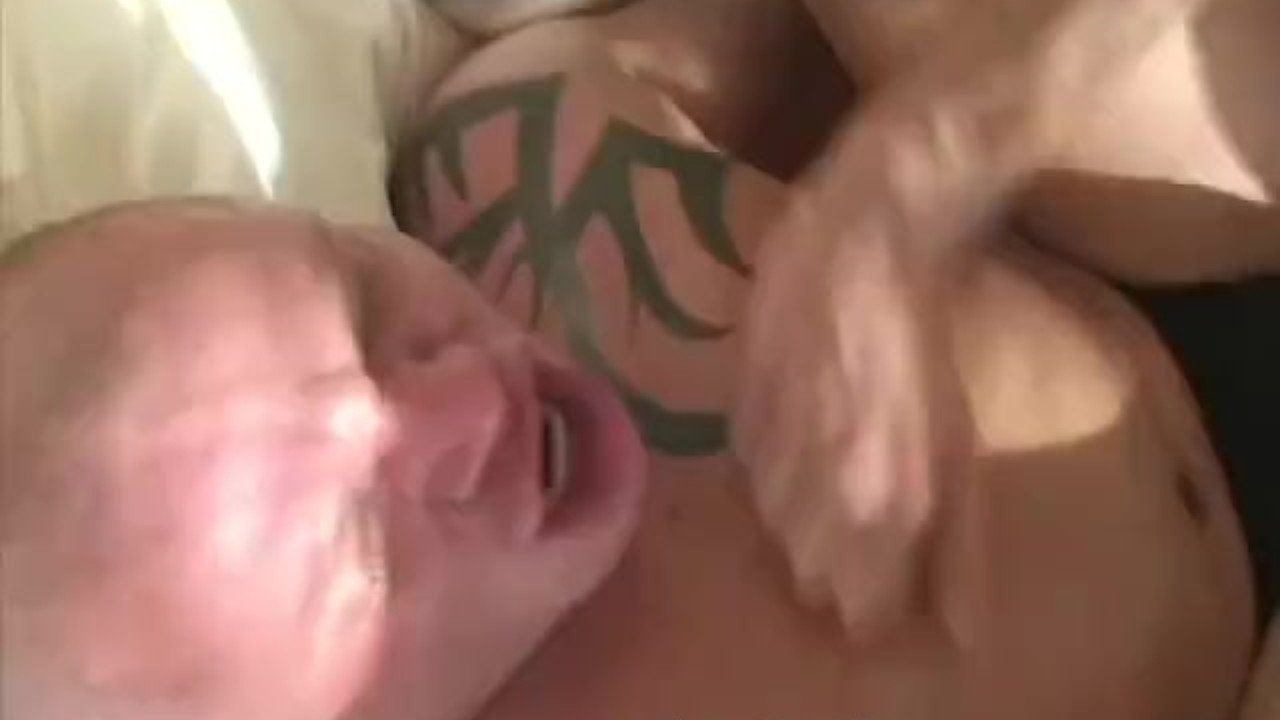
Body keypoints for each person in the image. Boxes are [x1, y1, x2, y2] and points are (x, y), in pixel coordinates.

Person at [0, 2, 1264, 720]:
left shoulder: (512, 174)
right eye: (364, 547)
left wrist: (901, 181)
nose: (468, 394)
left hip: (1190, 260)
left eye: (363, 303)